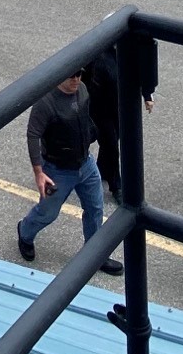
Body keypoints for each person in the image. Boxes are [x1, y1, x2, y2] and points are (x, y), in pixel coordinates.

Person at [16, 70, 121, 273]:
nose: (76, 79)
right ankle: (25, 232)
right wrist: (39, 172)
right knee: (48, 213)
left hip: (85, 163)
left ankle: (95, 255)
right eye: (71, 76)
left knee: (95, 208)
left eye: (80, 74)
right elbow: (33, 135)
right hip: (57, 170)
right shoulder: (45, 103)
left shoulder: (82, 90)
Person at [82, 42, 156, 199]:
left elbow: (139, 73)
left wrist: (147, 95)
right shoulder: (97, 57)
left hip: (120, 109)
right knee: (111, 146)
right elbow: (84, 80)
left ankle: (101, 169)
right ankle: (116, 186)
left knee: (112, 141)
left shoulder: (129, 53)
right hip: (100, 109)